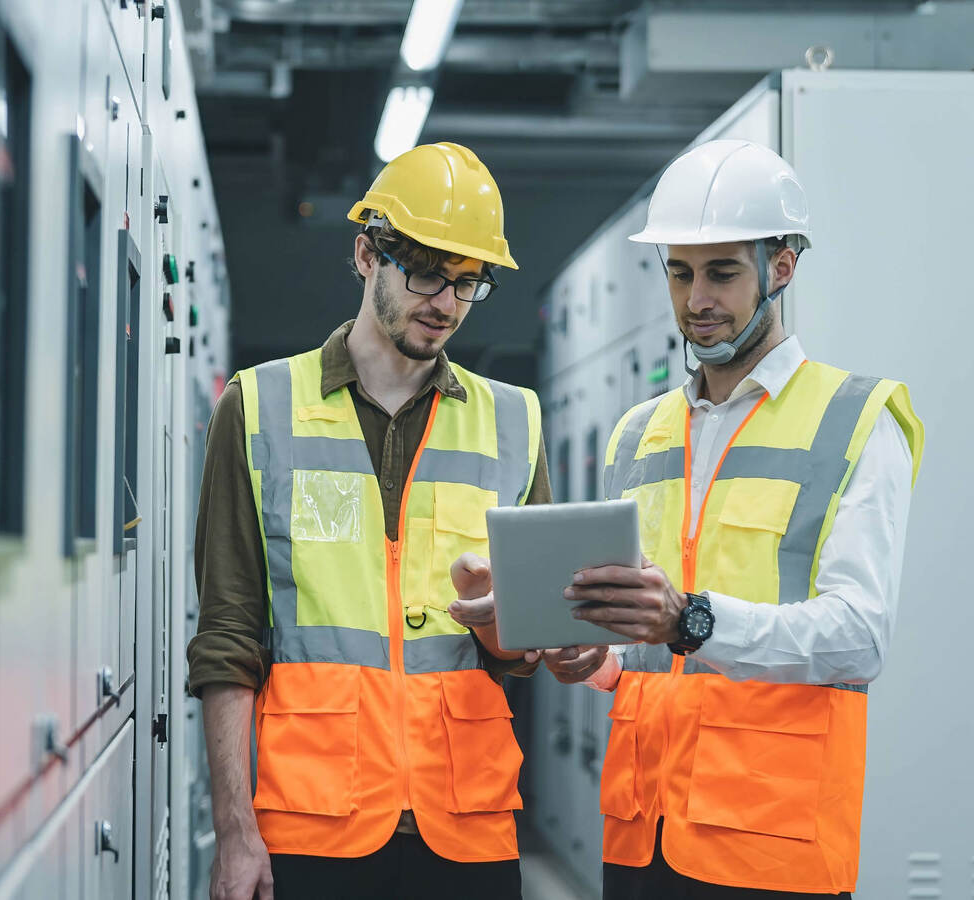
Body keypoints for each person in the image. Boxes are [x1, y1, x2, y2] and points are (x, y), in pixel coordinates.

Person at [187, 141, 549, 900]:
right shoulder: (257, 409)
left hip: (469, 826)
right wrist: (234, 831)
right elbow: (227, 637)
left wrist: (504, 627)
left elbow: (526, 652)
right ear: (365, 255)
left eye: (466, 283)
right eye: (423, 272)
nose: (443, 303)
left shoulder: (515, 422)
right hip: (313, 824)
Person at [562, 139, 924, 897]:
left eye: (722, 272)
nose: (698, 299)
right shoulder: (637, 432)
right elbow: (643, 651)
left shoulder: (856, 417)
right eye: (680, 272)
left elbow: (858, 638)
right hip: (642, 833)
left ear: (781, 267)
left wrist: (693, 621)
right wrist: (588, 660)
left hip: (770, 844)